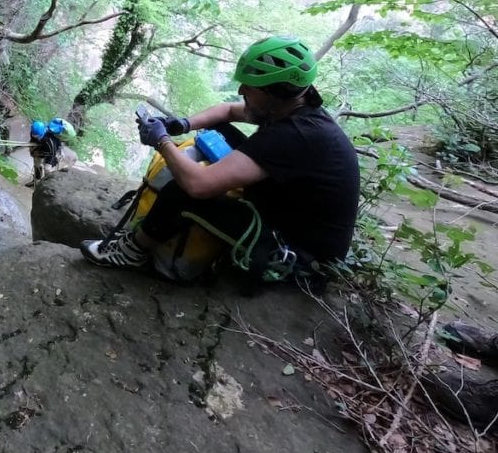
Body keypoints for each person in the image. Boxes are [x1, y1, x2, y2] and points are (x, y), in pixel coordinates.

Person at [80, 36, 360, 281]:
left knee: (183, 192)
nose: (241, 93)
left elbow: (197, 185)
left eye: (249, 88)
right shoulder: (294, 109)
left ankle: (132, 252)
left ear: (274, 93)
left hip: (296, 254)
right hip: (287, 213)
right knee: (219, 132)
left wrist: (162, 141)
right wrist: (182, 124)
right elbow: (227, 112)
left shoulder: (294, 135)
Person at [27, 118, 76, 186]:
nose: (36, 137)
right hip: (42, 148)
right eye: (34, 135)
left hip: (51, 152)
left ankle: (48, 185)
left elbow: (51, 153)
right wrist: (33, 151)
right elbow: (33, 140)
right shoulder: (35, 132)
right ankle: (36, 181)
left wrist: (40, 154)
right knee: (37, 164)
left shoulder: (49, 140)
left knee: (47, 168)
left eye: (37, 136)